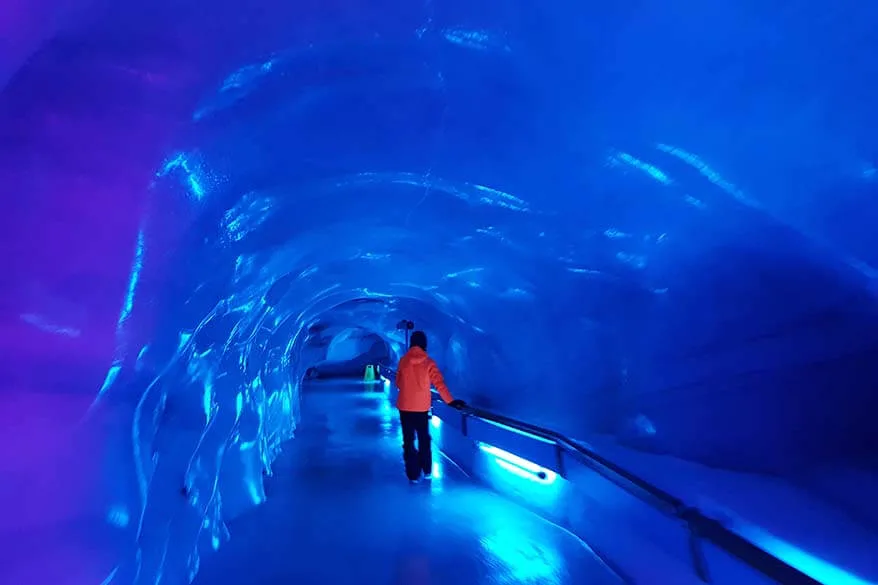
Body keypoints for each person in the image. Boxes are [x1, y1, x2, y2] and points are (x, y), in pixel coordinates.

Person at [394, 330, 465, 483]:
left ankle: (413, 474)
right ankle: (426, 470)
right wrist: (450, 401)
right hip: (421, 408)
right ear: (424, 344)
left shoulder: (403, 361)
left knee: (408, 440)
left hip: (405, 407)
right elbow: (439, 384)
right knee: (424, 438)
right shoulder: (429, 362)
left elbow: (398, 383)